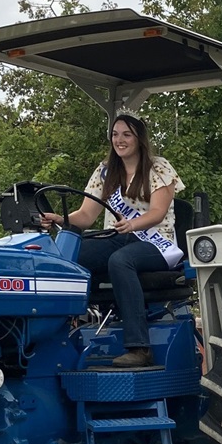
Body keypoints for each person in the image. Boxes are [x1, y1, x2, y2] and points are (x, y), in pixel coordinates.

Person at [41, 112, 185, 368]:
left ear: (139, 138)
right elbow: (85, 216)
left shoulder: (159, 167)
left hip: (155, 243)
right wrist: (59, 219)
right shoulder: (105, 171)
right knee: (67, 258)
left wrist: (132, 224)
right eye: (115, 134)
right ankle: (54, 336)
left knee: (120, 262)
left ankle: (139, 348)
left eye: (126, 134)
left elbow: (157, 213)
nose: (119, 140)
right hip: (118, 238)